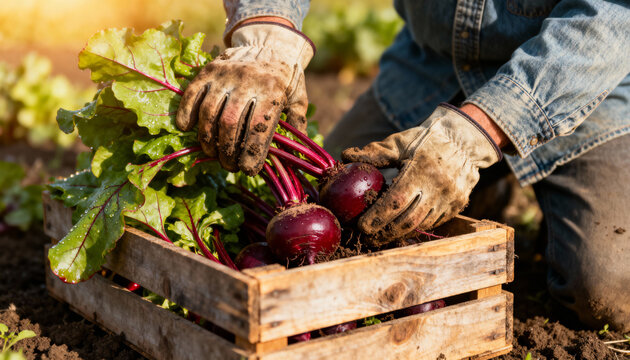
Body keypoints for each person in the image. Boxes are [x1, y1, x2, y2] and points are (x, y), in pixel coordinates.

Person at [175, 0, 630, 331]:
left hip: (584, 80)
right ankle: (487, 188)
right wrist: (267, 26)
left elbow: (612, 13)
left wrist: (476, 134)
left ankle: (496, 170)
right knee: (332, 200)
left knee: (606, 292)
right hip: (430, 70)